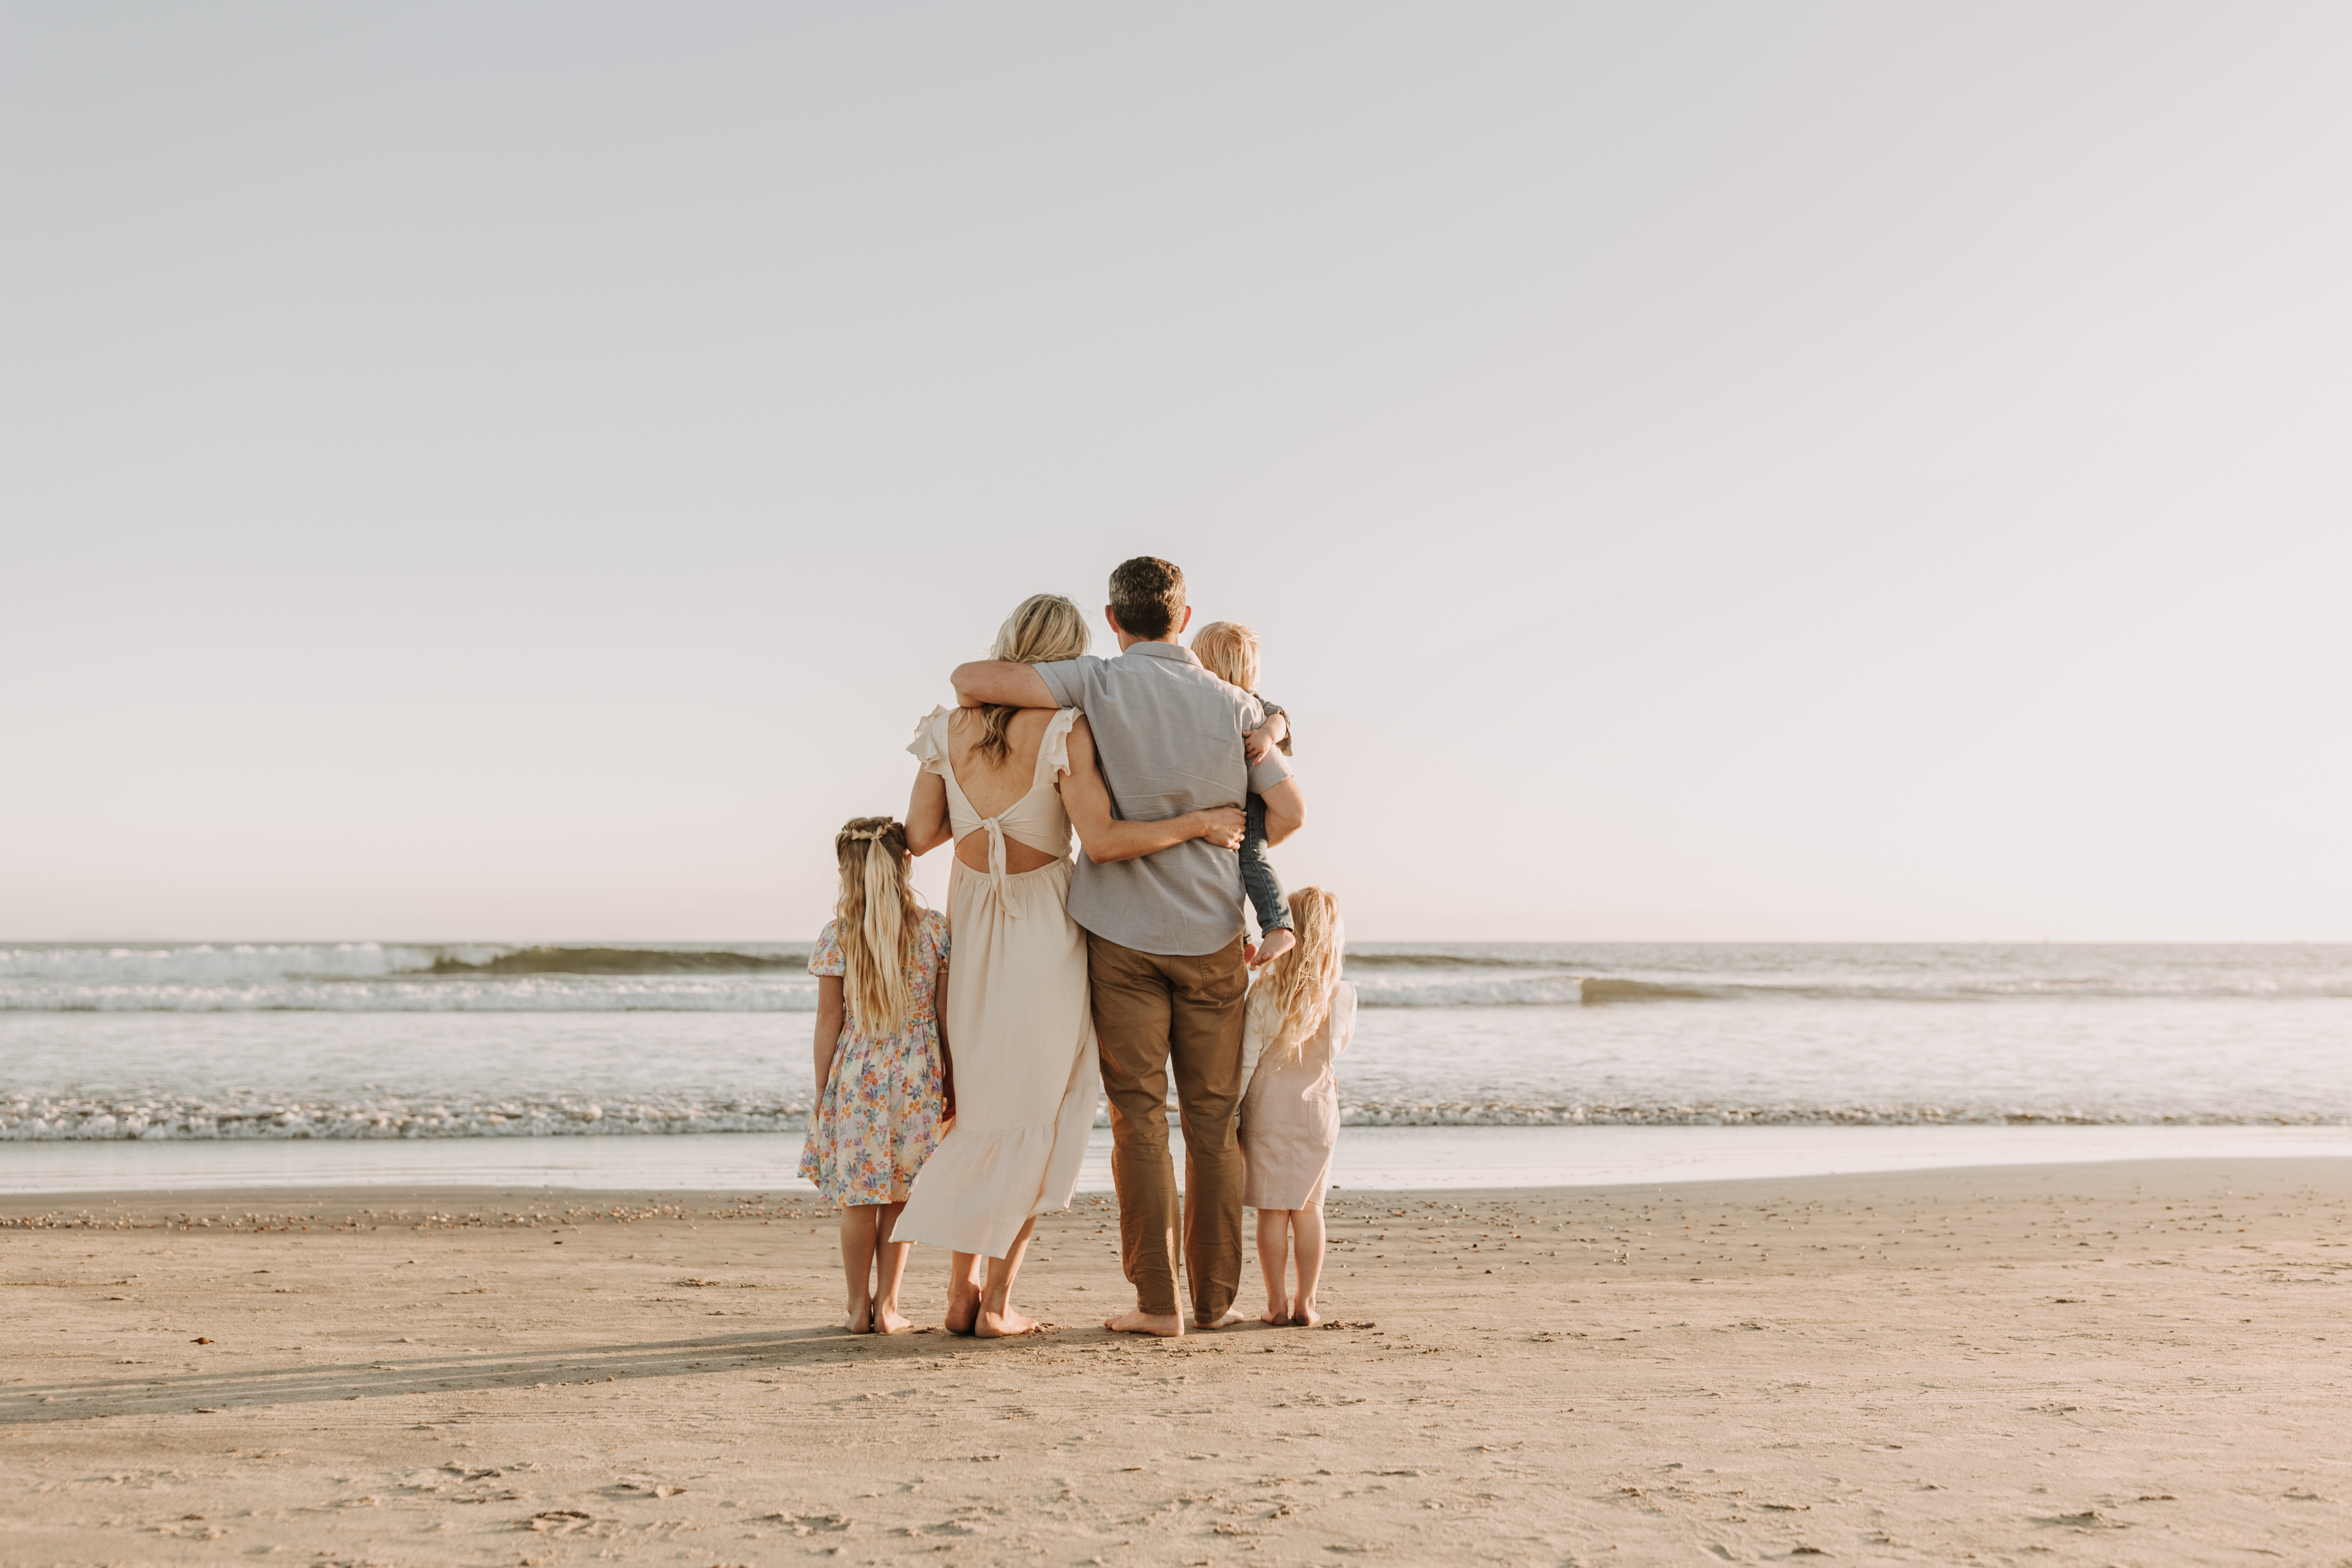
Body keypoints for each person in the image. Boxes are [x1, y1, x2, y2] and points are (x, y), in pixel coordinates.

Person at [951, 557, 1306, 1337]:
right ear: (1185, 619)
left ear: (1113, 619)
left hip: (1119, 935)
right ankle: (1214, 1300)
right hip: (1211, 934)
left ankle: (1156, 1304)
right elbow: (1288, 811)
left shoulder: (1094, 682)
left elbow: (971, 677)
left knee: (1138, 1120)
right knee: (1212, 1124)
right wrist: (1227, 841)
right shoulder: (1237, 704)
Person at [898, 593, 1248, 1336]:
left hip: (973, 932)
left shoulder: (943, 729)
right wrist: (1199, 823)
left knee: (981, 1108)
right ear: (1061, 659)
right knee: (1042, 1113)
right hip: (1044, 935)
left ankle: (958, 1290)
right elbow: (1105, 840)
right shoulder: (1063, 728)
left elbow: (921, 833)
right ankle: (995, 1302)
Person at [799, 816, 951, 1335]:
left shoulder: (838, 934)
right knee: (900, 1194)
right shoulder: (933, 930)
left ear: (848, 871)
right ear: (904, 864)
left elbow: (828, 1022)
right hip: (917, 1073)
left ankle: (855, 1309)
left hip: (858, 1073)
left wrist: (824, 1092)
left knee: (860, 1195)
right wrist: (952, 1079)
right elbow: (945, 1014)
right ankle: (888, 1307)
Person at [1237, 886, 1354, 1327]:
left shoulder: (1264, 993)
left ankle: (1276, 1304)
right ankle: (1307, 1302)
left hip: (1266, 1108)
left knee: (1271, 1209)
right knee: (1309, 1208)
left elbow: (1247, 1060)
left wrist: (1232, 1111)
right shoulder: (1343, 995)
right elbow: (1337, 1047)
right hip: (1318, 1109)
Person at [1189, 620, 1295, 968]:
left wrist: (1266, 735)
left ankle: (1279, 926)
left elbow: (1280, 718)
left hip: (1247, 802)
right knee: (1229, 874)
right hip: (1217, 801)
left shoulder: (1251, 704)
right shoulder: (1199, 703)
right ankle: (1243, 940)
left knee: (1251, 859)